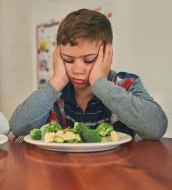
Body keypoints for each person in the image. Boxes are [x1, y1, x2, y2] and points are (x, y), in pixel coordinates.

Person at [10, 9, 167, 139]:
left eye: (89, 60)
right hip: (67, 172)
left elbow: (157, 128)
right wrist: (56, 82)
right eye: (68, 59)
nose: (78, 70)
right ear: (58, 55)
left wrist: (100, 84)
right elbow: (18, 128)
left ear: (108, 54)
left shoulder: (126, 83)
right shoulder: (53, 93)